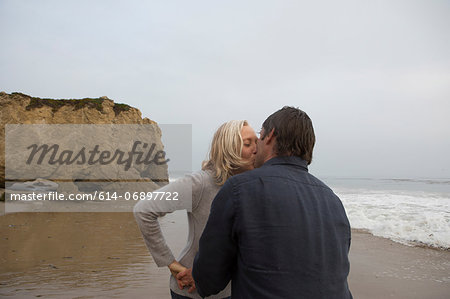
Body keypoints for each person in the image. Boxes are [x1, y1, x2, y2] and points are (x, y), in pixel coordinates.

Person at [189, 107, 353, 298]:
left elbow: (208, 281)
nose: (255, 146)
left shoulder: (239, 189)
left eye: (259, 136)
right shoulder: (333, 200)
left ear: (270, 136)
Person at [133, 120, 258, 299]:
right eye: (247, 144)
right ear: (228, 148)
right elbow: (144, 210)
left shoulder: (251, 186)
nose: (256, 149)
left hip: (233, 291)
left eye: (257, 142)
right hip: (191, 290)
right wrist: (170, 262)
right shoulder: (200, 183)